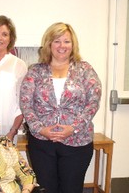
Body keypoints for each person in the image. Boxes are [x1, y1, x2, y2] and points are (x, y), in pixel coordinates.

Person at [20, 22, 102, 193]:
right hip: (42, 143)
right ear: (49, 44)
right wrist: (40, 129)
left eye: (67, 41)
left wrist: (73, 128)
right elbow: (26, 104)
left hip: (77, 142)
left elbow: (93, 102)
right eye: (57, 41)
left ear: (73, 45)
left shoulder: (85, 69)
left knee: (71, 188)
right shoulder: (35, 71)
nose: (62, 46)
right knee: (46, 189)